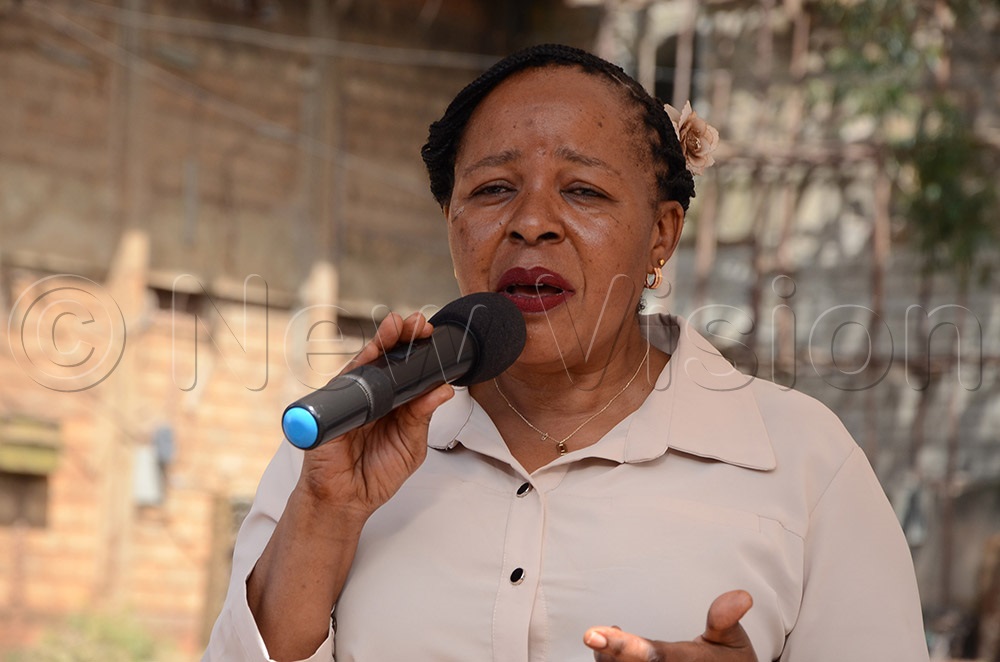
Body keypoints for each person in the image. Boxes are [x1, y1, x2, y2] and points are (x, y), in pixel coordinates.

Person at [204, 43, 928, 662]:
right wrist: (328, 510)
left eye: (582, 190)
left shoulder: (800, 464)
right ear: (451, 221)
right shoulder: (352, 439)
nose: (532, 223)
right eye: (493, 189)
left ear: (661, 236)